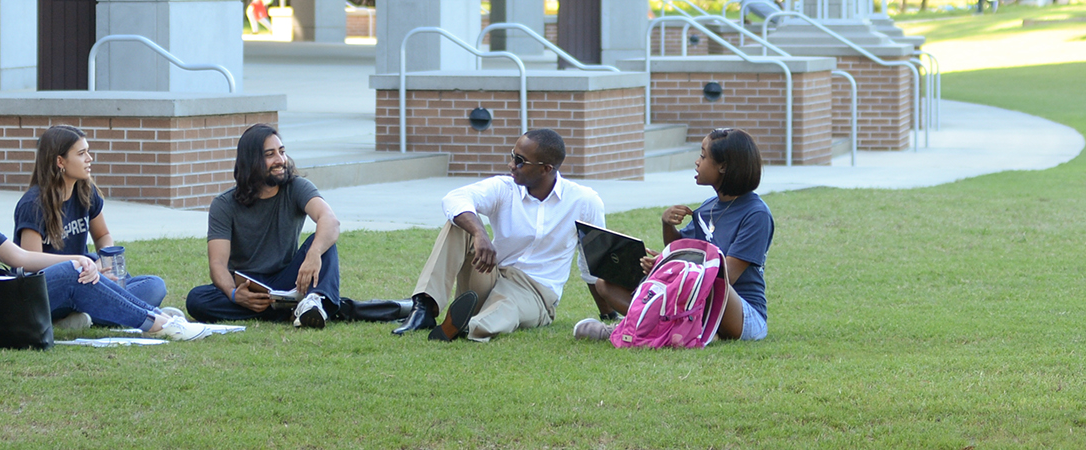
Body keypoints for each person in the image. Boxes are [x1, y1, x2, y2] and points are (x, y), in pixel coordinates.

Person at [0, 151, 211, 343]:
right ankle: (156, 323)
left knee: (85, 270)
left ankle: (156, 318)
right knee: (77, 273)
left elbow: (18, 256)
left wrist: (77, 256)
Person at [386, 128, 612, 342]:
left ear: (546, 168)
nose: (511, 164)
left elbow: (591, 262)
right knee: (459, 223)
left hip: (535, 292)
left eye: (520, 161)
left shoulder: (584, 201)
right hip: (491, 273)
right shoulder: (504, 188)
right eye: (513, 156)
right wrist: (479, 232)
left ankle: (465, 326)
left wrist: (608, 315)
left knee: (506, 308)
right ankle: (425, 307)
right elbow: (454, 198)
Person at [575, 128, 775, 342]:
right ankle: (673, 330)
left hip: (741, 313)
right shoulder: (708, 208)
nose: (697, 162)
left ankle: (637, 328)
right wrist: (666, 230)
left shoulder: (756, 215)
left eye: (703, 155)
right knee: (605, 284)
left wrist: (670, 270)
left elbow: (726, 277)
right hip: (695, 293)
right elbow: (680, 249)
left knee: (710, 284)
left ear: (723, 166)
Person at [184, 124, 343, 329]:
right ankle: (294, 309)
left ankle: (308, 303)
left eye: (282, 152)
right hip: (249, 286)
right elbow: (218, 264)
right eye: (270, 154)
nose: (280, 160)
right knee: (197, 299)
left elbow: (330, 220)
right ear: (251, 161)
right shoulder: (224, 205)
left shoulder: (296, 187)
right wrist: (234, 295)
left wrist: (313, 255)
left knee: (322, 243)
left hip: (289, 281)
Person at [13, 125, 171, 329]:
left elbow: (103, 234)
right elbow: (31, 263)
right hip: (50, 288)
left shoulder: (86, 191)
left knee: (154, 285)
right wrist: (85, 266)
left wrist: (105, 265)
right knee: (91, 278)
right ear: (60, 161)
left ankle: (85, 315)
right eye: (81, 153)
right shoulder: (33, 205)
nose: (90, 158)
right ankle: (133, 314)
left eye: (88, 151)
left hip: (86, 276)